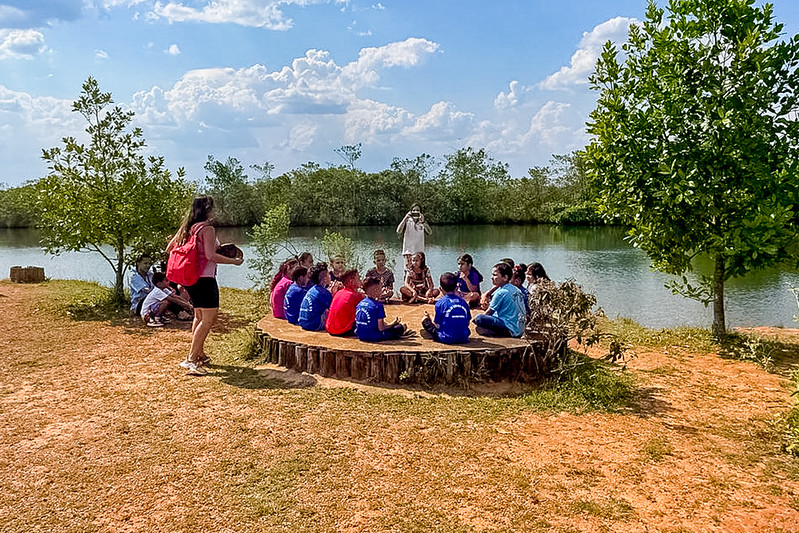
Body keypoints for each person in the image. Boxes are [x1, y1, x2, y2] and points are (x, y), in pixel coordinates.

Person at [167, 195, 244, 376]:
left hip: (191, 278)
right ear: (208, 209)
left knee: (199, 316)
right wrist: (233, 262)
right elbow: (210, 256)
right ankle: (192, 359)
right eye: (213, 208)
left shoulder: (187, 228)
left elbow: (170, 248)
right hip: (205, 278)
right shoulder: (207, 228)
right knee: (208, 319)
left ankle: (199, 354)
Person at [473, 262, 526, 338]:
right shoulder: (516, 289)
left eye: (495, 275)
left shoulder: (501, 292)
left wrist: (474, 320)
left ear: (505, 278)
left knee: (479, 318)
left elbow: (489, 312)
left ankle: (502, 332)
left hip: (510, 327)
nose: (491, 277)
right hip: (520, 328)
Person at [422, 272, 471, 344]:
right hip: (463, 338)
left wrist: (429, 317)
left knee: (424, 320)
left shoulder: (440, 303)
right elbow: (467, 322)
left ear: (440, 289)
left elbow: (437, 325)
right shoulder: (463, 302)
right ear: (456, 288)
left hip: (446, 338)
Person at [355, 277, 407, 342]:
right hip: (373, 336)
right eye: (380, 288)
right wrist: (392, 324)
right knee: (400, 327)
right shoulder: (378, 306)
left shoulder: (360, 303)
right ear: (375, 290)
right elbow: (381, 328)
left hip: (361, 335)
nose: (382, 290)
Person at [299, 262, 337, 331]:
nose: (330, 276)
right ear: (325, 279)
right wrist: (334, 294)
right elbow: (334, 308)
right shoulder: (323, 293)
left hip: (303, 322)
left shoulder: (313, 289)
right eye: (328, 274)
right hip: (313, 324)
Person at [325, 269, 364, 336]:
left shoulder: (339, 292)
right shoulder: (355, 295)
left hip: (330, 328)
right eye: (358, 278)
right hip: (342, 331)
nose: (361, 280)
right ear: (352, 281)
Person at [396, 203, 431, 269]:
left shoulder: (422, 222)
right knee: (408, 274)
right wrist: (405, 218)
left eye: (418, 210)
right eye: (414, 210)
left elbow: (429, 232)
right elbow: (398, 231)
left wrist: (423, 222)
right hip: (408, 252)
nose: (416, 212)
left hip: (419, 253)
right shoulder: (407, 221)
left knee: (419, 273)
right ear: (410, 211)